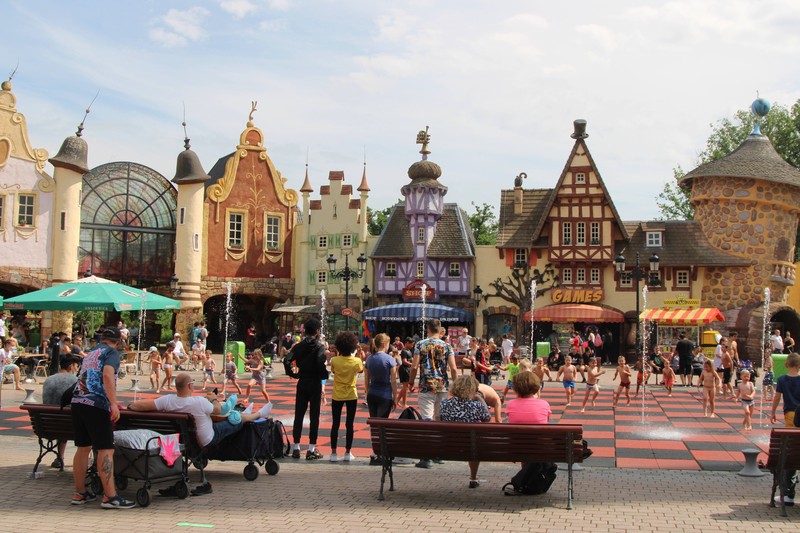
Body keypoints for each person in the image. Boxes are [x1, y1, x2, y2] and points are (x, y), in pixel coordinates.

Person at [127, 372, 273, 495]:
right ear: (190, 386)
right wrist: (214, 399)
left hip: (179, 441)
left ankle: (249, 414)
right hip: (206, 439)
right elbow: (218, 410)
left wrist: (130, 406)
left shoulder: (167, 400)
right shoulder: (198, 402)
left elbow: (141, 405)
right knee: (234, 420)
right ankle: (256, 415)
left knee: (223, 419)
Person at [69, 327, 134, 509]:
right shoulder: (111, 353)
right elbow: (107, 374)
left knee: (83, 448)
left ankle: (80, 493)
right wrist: (113, 403)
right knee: (106, 450)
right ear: (119, 342)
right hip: (96, 404)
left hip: (78, 401)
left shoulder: (91, 353)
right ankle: (110, 497)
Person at [408, 318, 457, 469]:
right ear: (439, 329)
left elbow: (414, 366)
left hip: (426, 385)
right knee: (439, 419)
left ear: (428, 329)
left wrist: (410, 383)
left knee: (427, 419)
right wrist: (455, 385)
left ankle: (426, 456)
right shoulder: (447, 346)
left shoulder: (420, 344)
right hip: (442, 386)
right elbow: (454, 369)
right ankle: (439, 453)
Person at [285, 318, 327, 460]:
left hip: (302, 381)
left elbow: (287, 360)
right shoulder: (320, 347)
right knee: (314, 416)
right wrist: (324, 375)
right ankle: (311, 449)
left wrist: (292, 373)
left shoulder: (298, 346)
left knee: (299, 414)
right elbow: (321, 362)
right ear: (316, 331)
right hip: (314, 382)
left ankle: (296, 447)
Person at [438, 375, 491, 488]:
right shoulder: (476, 405)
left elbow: (439, 419)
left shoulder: (444, 404)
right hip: (471, 447)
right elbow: (487, 418)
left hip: (448, 445)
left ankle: (473, 478)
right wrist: (480, 399)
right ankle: (473, 478)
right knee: (474, 443)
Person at [770, 352, 800, 506]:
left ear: (787, 365)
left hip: (790, 415)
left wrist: (773, 412)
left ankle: (788, 495)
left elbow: (777, 398)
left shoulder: (782, 379)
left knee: (791, 451)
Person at [329, 331, 364, 463]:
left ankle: (333, 453)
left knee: (335, 424)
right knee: (349, 424)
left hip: (337, 395)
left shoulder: (335, 360)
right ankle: (348, 452)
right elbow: (360, 370)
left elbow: (333, 370)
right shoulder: (357, 361)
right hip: (351, 394)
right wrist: (359, 354)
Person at [42, 356, 79, 469]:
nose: (77, 370)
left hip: (48, 425)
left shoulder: (48, 380)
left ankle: (60, 456)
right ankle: (88, 458)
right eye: (76, 366)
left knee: (63, 420)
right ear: (70, 366)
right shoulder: (76, 381)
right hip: (71, 427)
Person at [396, 337, 414, 408]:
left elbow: (410, 359)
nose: (412, 346)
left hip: (407, 369)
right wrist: (413, 364)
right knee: (405, 387)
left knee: (405, 387)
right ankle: (404, 403)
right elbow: (404, 361)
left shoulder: (409, 350)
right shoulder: (404, 351)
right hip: (404, 369)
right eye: (411, 344)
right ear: (407, 343)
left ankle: (397, 400)